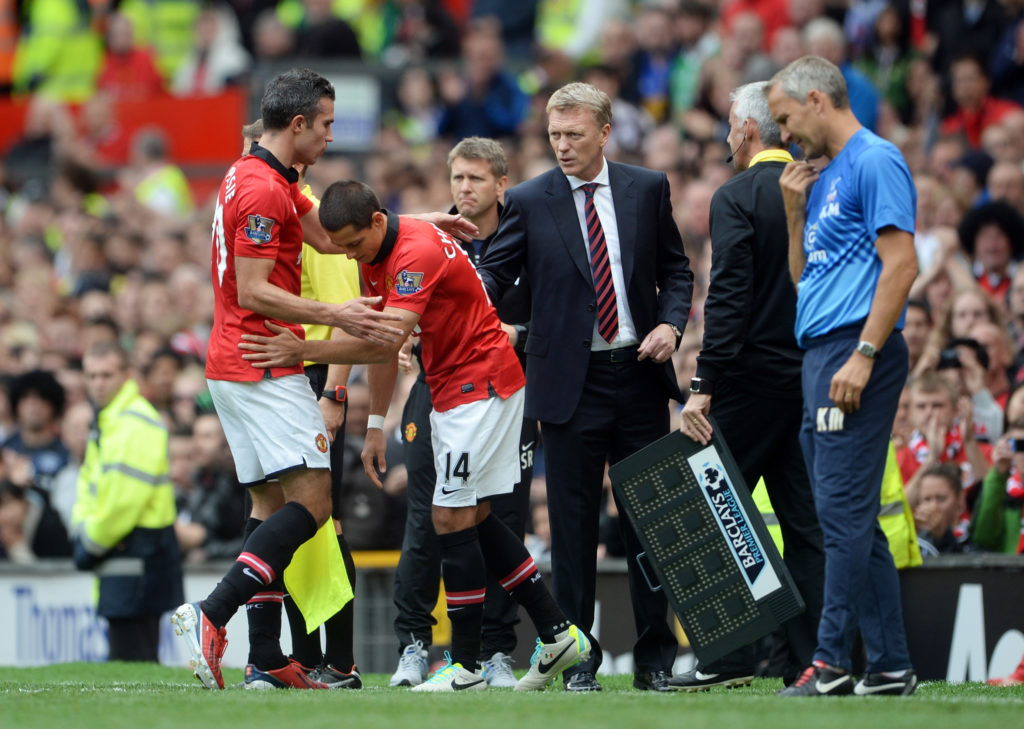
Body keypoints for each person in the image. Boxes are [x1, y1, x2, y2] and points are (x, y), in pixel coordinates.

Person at [239, 179, 591, 693]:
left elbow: (384, 341)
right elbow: (380, 340)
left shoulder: (416, 250)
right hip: (456, 389)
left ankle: (467, 665)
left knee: (448, 516)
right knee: (476, 516)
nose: (351, 255)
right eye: (343, 247)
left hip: (481, 386)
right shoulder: (382, 248)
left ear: (377, 223)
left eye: (355, 244)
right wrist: (377, 421)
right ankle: (559, 633)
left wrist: (302, 352)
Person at [169, 68, 403, 692]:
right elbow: (253, 289)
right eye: (325, 124)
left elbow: (330, 237)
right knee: (314, 504)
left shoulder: (259, 174)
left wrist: (427, 221)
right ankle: (210, 612)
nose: (331, 135)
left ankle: (268, 656)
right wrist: (333, 314)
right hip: (263, 364)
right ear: (297, 124)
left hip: (234, 365)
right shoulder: (265, 192)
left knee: (268, 507)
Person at [477, 81, 694, 692]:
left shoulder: (647, 188)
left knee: (650, 519)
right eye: (554, 136)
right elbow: (496, 272)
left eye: (575, 135)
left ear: (604, 133)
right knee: (571, 529)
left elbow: (676, 270)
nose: (563, 146)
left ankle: (656, 662)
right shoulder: (526, 198)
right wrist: (464, 290)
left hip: (641, 374)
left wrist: (671, 325)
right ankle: (580, 662)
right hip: (570, 382)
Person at [767, 55, 919, 697]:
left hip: (855, 352)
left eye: (785, 118)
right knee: (850, 516)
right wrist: (795, 216)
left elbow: (903, 265)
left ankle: (830, 661)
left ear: (817, 99)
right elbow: (808, 283)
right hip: (820, 354)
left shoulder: (876, 160)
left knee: (840, 514)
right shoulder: (820, 180)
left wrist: (863, 352)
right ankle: (887, 665)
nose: (782, 135)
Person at [675, 80, 825, 691]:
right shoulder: (821, 187)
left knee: (713, 510)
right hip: (810, 374)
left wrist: (705, 380)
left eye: (731, 125)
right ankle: (817, 659)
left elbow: (730, 295)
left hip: (748, 381)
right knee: (805, 525)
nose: (727, 136)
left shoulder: (735, 194)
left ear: (750, 129)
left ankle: (728, 661)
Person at [389, 136, 535, 689]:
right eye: (457, 179)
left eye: (476, 179)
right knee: (429, 513)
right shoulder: (429, 238)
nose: (464, 189)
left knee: (500, 516)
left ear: (502, 184)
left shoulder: (530, 239)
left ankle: (495, 651)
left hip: (504, 390)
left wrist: (519, 334)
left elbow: (559, 316)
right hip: (436, 388)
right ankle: (414, 645)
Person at [240, 116, 362, 690]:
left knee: (318, 523)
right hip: (279, 376)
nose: (247, 160)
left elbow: (348, 312)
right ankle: (299, 656)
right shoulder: (267, 210)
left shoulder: (307, 218)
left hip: (310, 379)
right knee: (285, 521)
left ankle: (338, 661)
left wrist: (335, 394)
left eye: (252, 147)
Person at [70, 341, 183, 662]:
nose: (98, 383)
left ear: (126, 375)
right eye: (91, 376)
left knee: (133, 661)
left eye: (106, 374)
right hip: (129, 553)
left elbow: (122, 504)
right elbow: (92, 487)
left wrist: (87, 541)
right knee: (133, 663)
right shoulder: (113, 420)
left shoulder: (134, 422)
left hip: (135, 552)